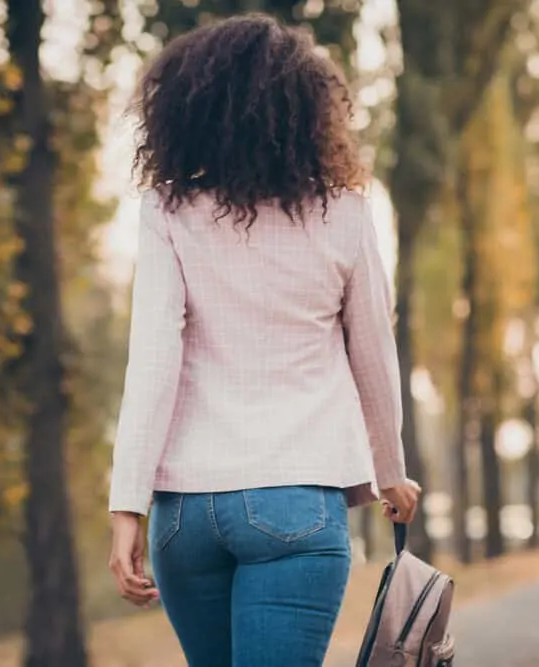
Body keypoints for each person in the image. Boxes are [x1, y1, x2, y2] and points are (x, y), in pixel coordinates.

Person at [107, 13, 420, 667]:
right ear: (308, 114)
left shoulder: (167, 213)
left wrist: (126, 506)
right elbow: (373, 355)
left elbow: (153, 365)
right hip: (296, 503)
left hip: (184, 515)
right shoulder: (346, 215)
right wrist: (390, 472)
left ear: (193, 110)